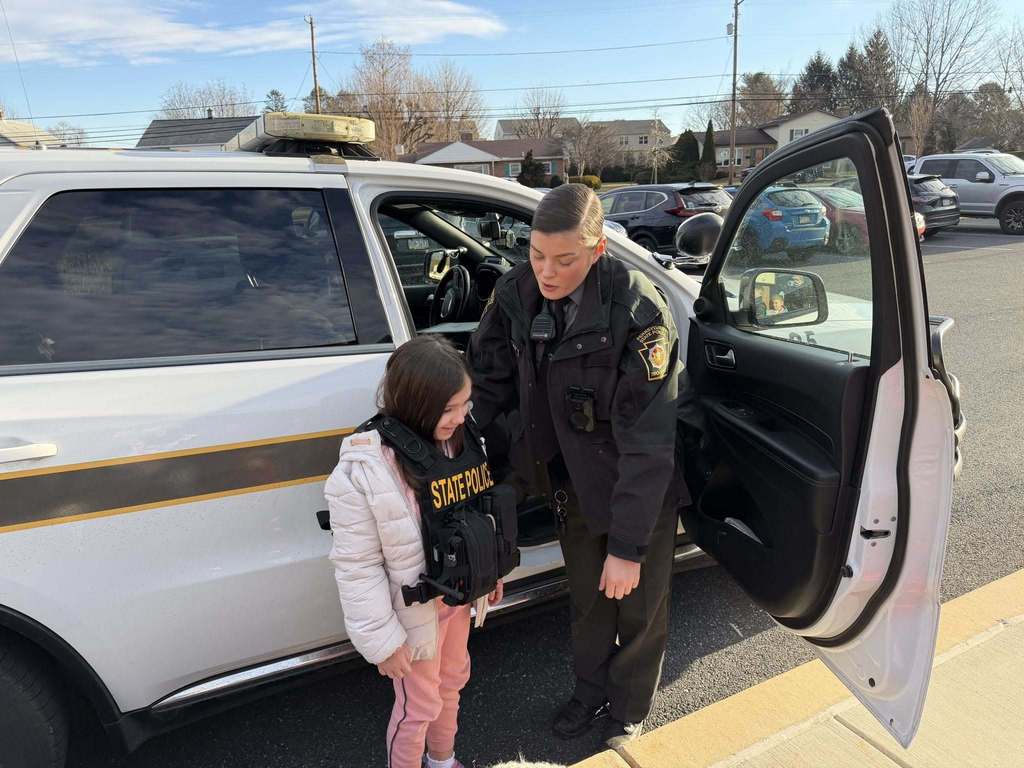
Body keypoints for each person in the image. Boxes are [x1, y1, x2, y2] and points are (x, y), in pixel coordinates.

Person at [468, 184, 687, 748]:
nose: (547, 271)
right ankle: (588, 694)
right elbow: (488, 383)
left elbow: (648, 441)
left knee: (638, 607)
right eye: (537, 255)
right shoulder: (517, 294)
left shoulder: (638, 311)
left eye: (565, 259)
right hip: (570, 482)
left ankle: (628, 706)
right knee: (588, 602)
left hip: (635, 487)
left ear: (597, 251)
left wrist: (628, 547)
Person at [325, 336, 503, 768]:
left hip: (456, 598)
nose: (462, 416)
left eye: (465, 403)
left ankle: (443, 761)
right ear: (417, 403)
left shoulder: (458, 441)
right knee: (417, 706)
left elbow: (477, 512)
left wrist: (489, 573)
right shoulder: (365, 468)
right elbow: (356, 565)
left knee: (452, 684)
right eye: (450, 408)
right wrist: (382, 642)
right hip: (411, 618)